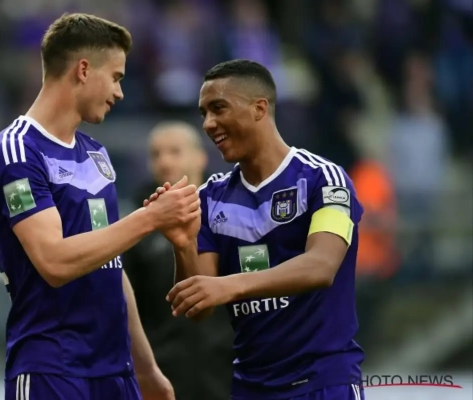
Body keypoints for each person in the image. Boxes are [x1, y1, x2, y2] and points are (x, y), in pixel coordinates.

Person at [0, 13, 199, 400]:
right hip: (53, 369)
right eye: (116, 77)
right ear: (83, 70)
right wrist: (150, 218)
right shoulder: (16, 152)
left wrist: (145, 368)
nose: (120, 92)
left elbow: (113, 267)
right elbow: (54, 262)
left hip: (115, 370)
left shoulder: (96, 155)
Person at [146, 60, 366, 400]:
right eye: (204, 113)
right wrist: (183, 244)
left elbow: (321, 266)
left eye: (218, 108)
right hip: (251, 387)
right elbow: (199, 309)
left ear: (259, 109)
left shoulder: (323, 179)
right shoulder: (209, 198)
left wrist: (229, 286)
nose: (208, 124)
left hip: (322, 382)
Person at [123, 121, 233, 400]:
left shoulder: (232, 213)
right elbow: (127, 305)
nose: (164, 161)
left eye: (174, 151)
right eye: (156, 154)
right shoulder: (137, 226)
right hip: (165, 374)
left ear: (201, 157)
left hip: (228, 371)